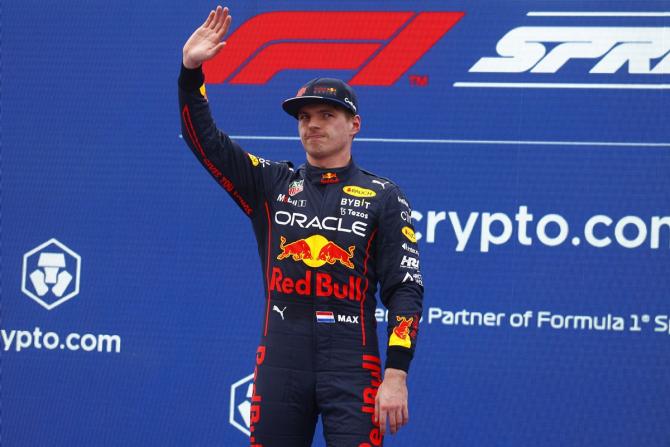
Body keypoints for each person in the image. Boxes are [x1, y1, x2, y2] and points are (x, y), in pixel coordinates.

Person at [179, 6, 423, 446]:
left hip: (354, 363)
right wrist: (191, 73)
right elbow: (207, 145)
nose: (313, 125)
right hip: (281, 361)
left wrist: (396, 374)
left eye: (327, 115)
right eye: (305, 117)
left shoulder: (385, 196)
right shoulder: (271, 183)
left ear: (354, 126)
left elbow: (405, 289)